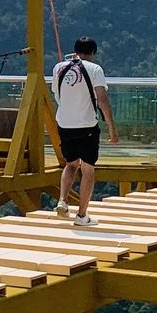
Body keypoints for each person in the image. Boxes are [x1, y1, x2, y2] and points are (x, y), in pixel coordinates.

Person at [51, 35, 118, 226]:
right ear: (93, 53)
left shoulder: (59, 67)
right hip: (86, 125)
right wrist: (112, 129)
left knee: (71, 164)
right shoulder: (95, 69)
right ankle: (81, 216)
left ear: (75, 50)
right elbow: (103, 100)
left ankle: (62, 200)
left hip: (64, 123)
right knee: (87, 169)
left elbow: (57, 93)